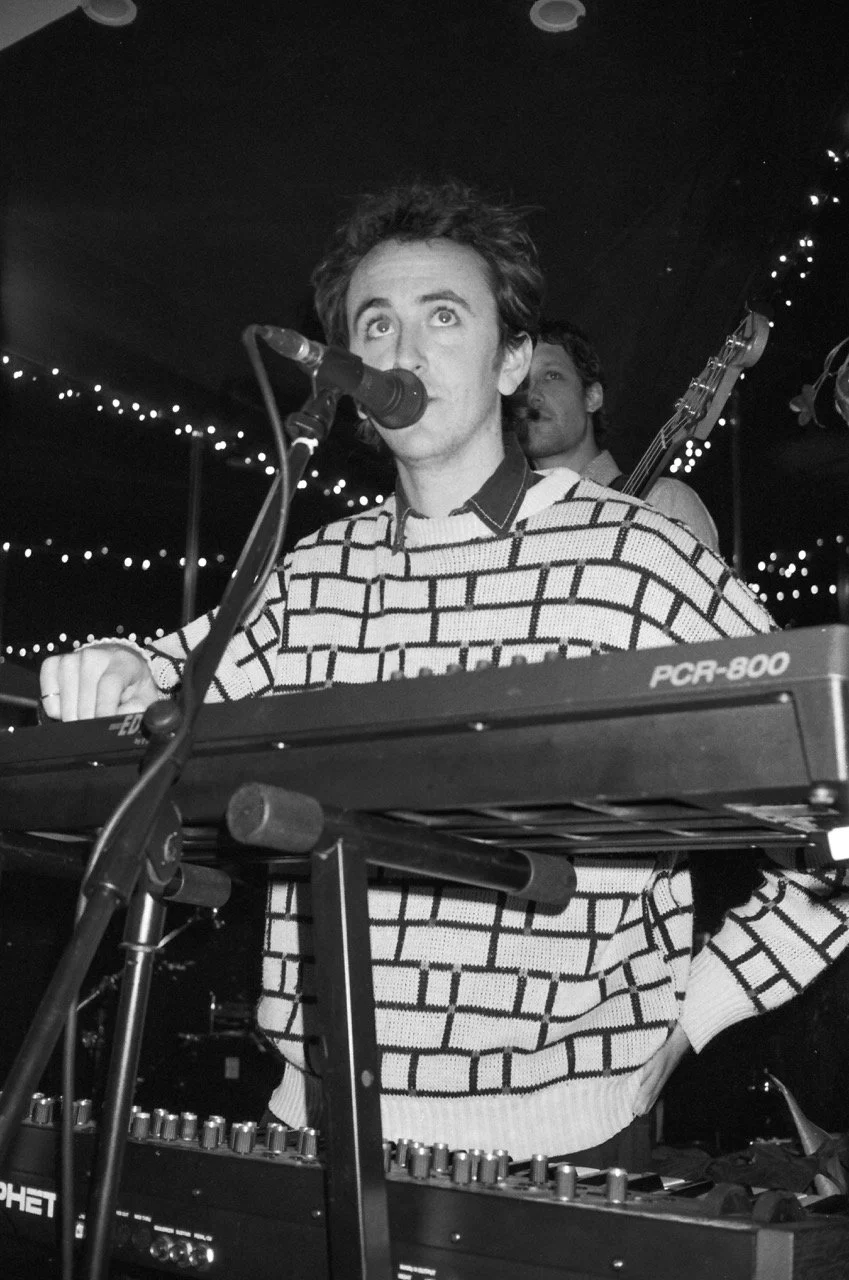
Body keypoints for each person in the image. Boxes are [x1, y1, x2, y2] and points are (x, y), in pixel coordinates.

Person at [39, 180, 849, 1166]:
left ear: (511, 359)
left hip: (565, 1147)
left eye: (444, 316)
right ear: (346, 367)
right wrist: (117, 667)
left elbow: (832, 803)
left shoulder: (635, 558)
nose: (405, 352)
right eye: (375, 324)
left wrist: (703, 1009)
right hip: (315, 1137)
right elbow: (170, 675)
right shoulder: (315, 570)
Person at [517, 319, 720, 550]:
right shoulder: (512, 525)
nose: (532, 395)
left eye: (551, 376)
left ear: (592, 397)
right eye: (522, 383)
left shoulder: (662, 503)